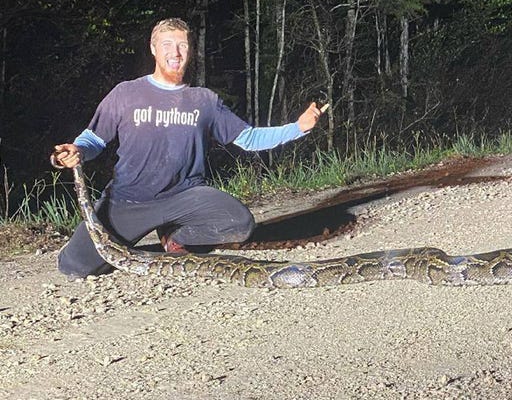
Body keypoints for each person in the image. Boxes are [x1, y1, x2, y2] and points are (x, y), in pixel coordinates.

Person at [51, 18, 327, 279]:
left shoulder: (204, 101)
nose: (176, 52)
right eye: (167, 44)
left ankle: (175, 235)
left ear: (191, 50)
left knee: (239, 223)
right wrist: (76, 150)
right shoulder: (126, 94)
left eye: (182, 45)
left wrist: (297, 127)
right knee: (74, 267)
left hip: (185, 196)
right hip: (130, 200)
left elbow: (249, 138)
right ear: (153, 49)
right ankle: (109, 240)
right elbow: (94, 140)